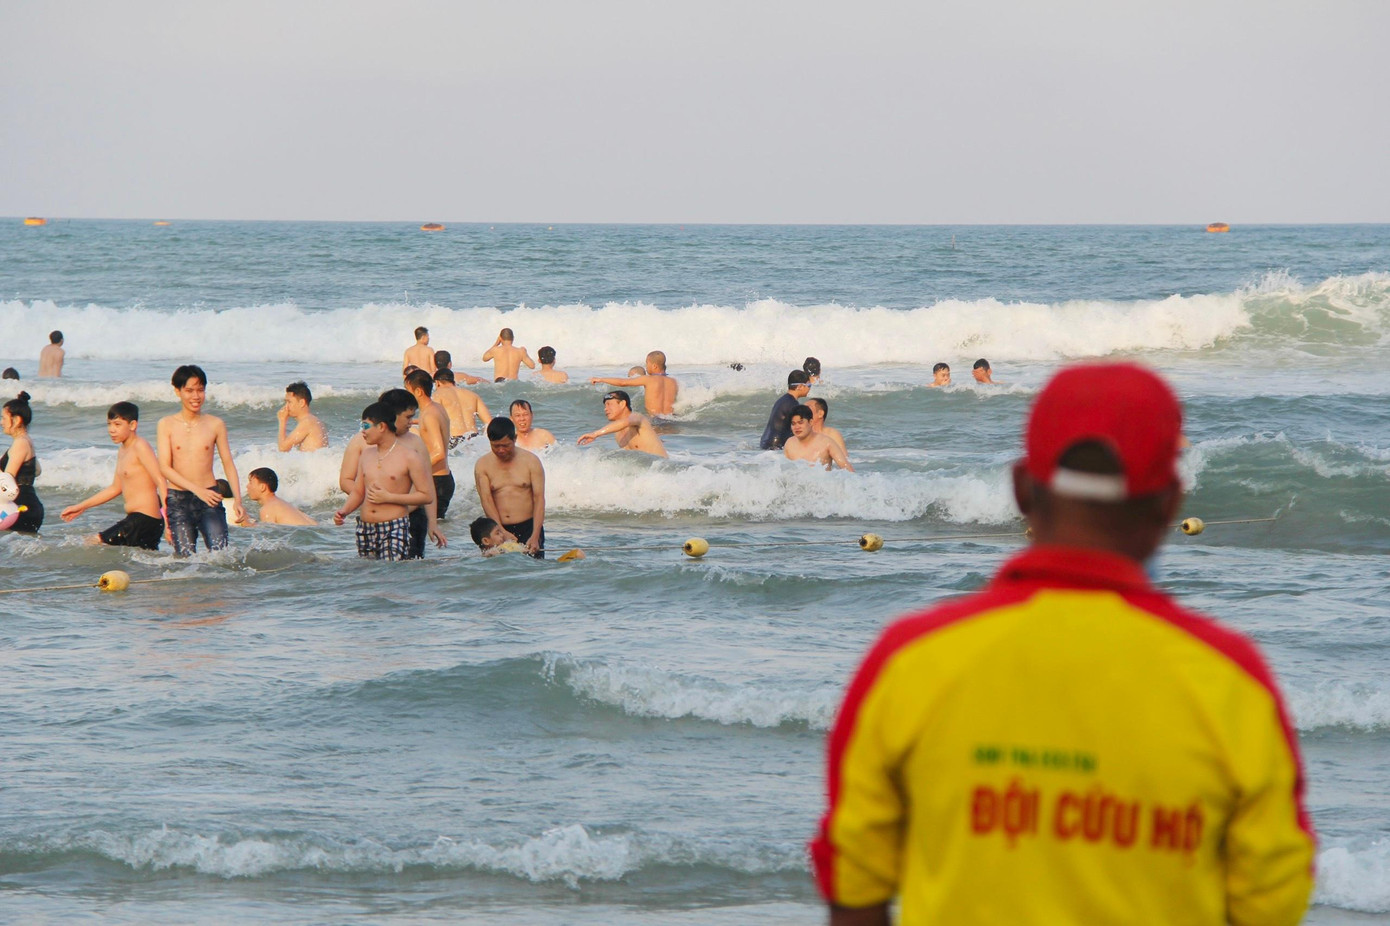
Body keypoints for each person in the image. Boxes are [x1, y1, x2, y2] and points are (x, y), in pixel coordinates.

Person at [811, 363, 1314, 926]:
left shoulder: (911, 662)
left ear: (1023, 488)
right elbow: (1271, 899)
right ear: (1171, 503)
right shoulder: (1231, 682)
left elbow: (854, 886)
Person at [156, 365, 244, 554]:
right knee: (184, 558)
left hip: (210, 498)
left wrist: (238, 499)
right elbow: (164, 467)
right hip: (178, 500)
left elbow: (228, 462)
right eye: (189, 390)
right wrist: (197, 490)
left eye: (200, 390)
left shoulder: (215, 424)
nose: (196, 396)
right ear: (178, 391)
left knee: (221, 556)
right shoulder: (166, 424)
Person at [60, 402, 168, 548]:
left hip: (144, 519)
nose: (111, 430)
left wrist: (169, 522)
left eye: (117, 424)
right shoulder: (123, 450)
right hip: (138, 520)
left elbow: (160, 480)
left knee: (92, 543)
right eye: (109, 424)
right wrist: (82, 506)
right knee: (142, 566)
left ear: (132, 425)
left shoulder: (140, 446)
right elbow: (115, 488)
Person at [334, 402, 433, 560]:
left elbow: (426, 495)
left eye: (365, 426)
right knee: (370, 576)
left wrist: (390, 497)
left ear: (381, 426)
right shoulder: (366, 455)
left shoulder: (409, 456)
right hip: (365, 527)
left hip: (394, 525)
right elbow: (359, 492)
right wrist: (344, 511)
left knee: (389, 573)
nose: (363, 432)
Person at [474, 417, 546, 556]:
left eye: (506, 445)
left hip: (529, 526)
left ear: (515, 438)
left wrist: (535, 535)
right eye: (496, 446)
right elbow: (486, 500)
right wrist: (502, 531)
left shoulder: (531, 461)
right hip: (498, 530)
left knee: (533, 570)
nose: (501, 450)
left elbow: (539, 499)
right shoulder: (482, 465)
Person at [405, 369, 454, 519]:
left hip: (436, 482)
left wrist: (415, 471)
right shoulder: (436, 407)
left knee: (428, 532)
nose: (407, 396)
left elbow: (439, 453)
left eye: (408, 391)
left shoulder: (429, 414)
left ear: (418, 391)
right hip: (443, 479)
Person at [1, 391, 44, 533]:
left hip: (19, 508)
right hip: (29, 507)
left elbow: (6, 483)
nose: (1, 422)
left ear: (17, 420)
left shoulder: (20, 443)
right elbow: (37, 471)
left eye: (4, 418)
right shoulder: (27, 441)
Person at [577, 390, 668, 457]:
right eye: (605, 406)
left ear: (622, 404)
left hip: (661, 471)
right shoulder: (618, 435)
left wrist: (595, 434)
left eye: (609, 404)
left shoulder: (637, 417)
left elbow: (626, 422)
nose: (605, 409)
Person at [589, 350, 678, 416]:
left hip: (655, 419)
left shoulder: (648, 379)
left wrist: (601, 379)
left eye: (647, 363)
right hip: (670, 420)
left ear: (654, 366)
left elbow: (622, 382)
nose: (646, 367)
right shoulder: (673, 381)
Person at [433, 368, 491, 446]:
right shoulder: (472, 395)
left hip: (454, 440)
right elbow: (489, 422)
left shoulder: (438, 394)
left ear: (437, 383)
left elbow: (433, 419)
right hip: (474, 438)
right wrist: (485, 439)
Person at [784, 405, 853, 471]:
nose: (797, 427)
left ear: (810, 422)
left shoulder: (827, 443)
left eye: (800, 422)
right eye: (793, 424)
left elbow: (847, 468)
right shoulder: (789, 443)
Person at [759, 369, 811, 450]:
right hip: (775, 447)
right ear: (800, 386)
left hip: (766, 443)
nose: (809, 389)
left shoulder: (783, 400)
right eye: (809, 385)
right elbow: (799, 429)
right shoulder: (792, 404)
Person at [244, 467, 315, 526]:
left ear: (262, 487)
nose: (247, 486)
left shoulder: (267, 509)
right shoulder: (281, 503)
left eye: (250, 482)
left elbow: (268, 536)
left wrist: (246, 524)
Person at [277, 381, 327, 452]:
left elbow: (283, 448)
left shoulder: (307, 422)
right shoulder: (313, 420)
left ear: (301, 403)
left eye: (289, 402)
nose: (286, 406)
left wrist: (282, 420)